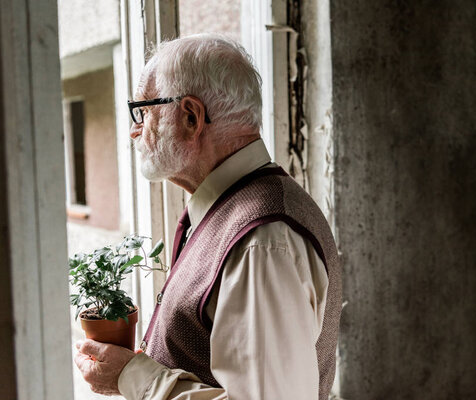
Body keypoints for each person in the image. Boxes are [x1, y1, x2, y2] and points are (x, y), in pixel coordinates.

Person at [74, 34, 341, 400]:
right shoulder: (234, 210)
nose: (135, 130)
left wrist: (135, 377)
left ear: (190, 116)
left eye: (144, 111)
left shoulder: (261, 244)